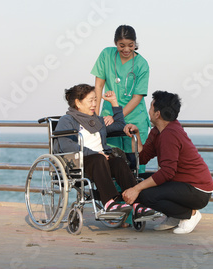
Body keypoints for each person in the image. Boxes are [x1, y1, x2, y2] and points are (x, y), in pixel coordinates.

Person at [122, 91, 213, 234]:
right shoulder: (158, 131)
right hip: (180, 183)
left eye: (151, 107)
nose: (149, 111)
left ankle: (190, 215)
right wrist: (137, 135)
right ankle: (175, 216)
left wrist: (137, 189)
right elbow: (143, 157)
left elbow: (166, 172)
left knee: (145, 195)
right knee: (136, 180)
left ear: (157, 114)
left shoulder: (170, 134)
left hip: (197, 190)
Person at [54, 83, 153, 217]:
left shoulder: (97, 120)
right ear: (78, 102)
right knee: (99, 159)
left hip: (101, 160)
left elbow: (119, 126)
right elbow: (66, 146)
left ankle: (137, 205)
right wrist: (94, 153)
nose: (95, 103)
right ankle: (109, 203)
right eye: (91, 100)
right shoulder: (67, 120)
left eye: (95, 99)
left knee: (118, 162)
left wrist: (114, 103)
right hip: (80, 162)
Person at [91, 25, 150, 153]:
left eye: (131, 45)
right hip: (108, 117)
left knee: (136, 161)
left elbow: (137, 97)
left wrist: (116, 116)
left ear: (135, 43)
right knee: (111, 158)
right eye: (122, 45)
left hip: (134, 117)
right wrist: (94, 116)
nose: (126, 49)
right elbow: (98, 87)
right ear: (115, 43)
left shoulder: (142, 64)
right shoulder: (106, 55)